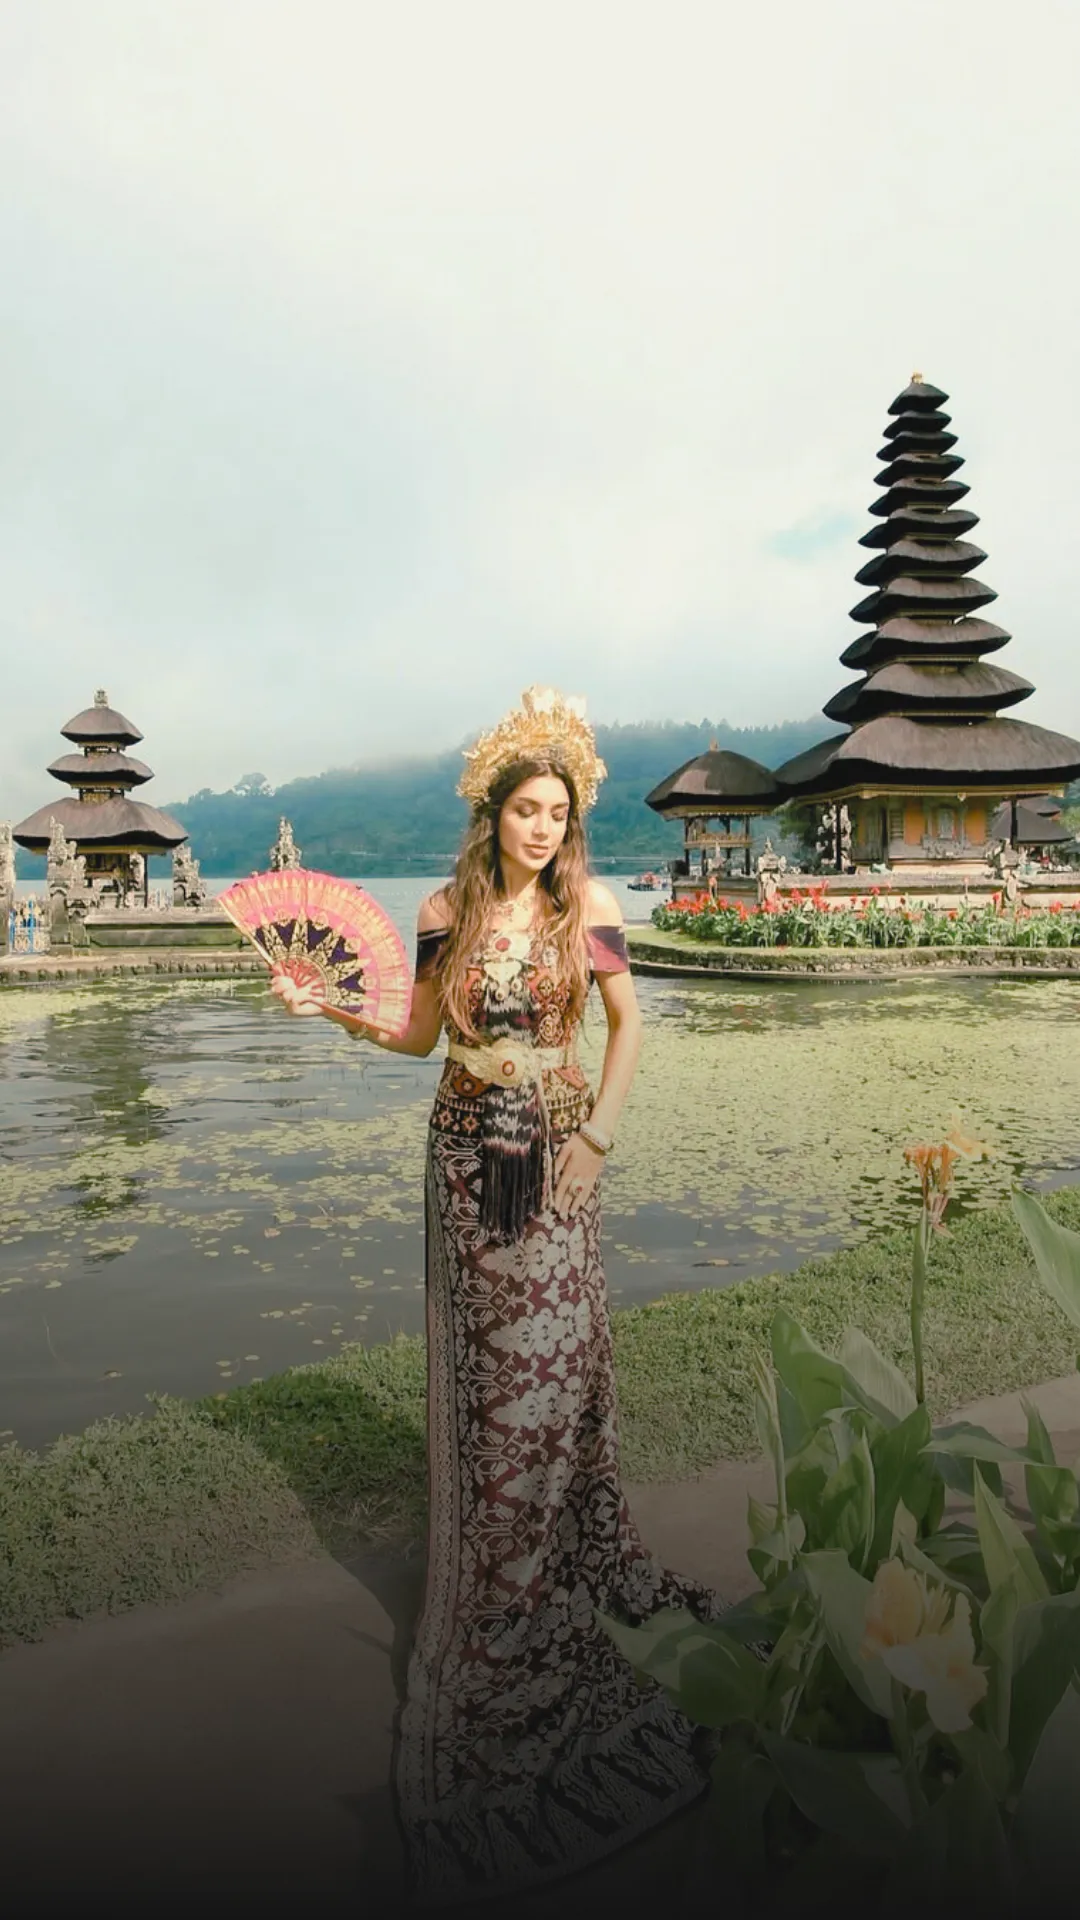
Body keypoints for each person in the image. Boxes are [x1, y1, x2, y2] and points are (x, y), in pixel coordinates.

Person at [272, 686, 724, 1910]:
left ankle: (555, 1552)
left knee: (556, 1369)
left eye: (558, 812)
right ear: (494, 815)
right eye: (526, 809)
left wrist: (600, 1143)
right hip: (467, 1157)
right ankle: (491, 1566)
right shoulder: (442, 913)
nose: (541, 827)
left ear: (573, 823)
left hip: (561, 1152)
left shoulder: (595, 911)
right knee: (488, 1383)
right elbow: (419, 1035)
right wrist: (332, 1010)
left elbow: (629, 1028)